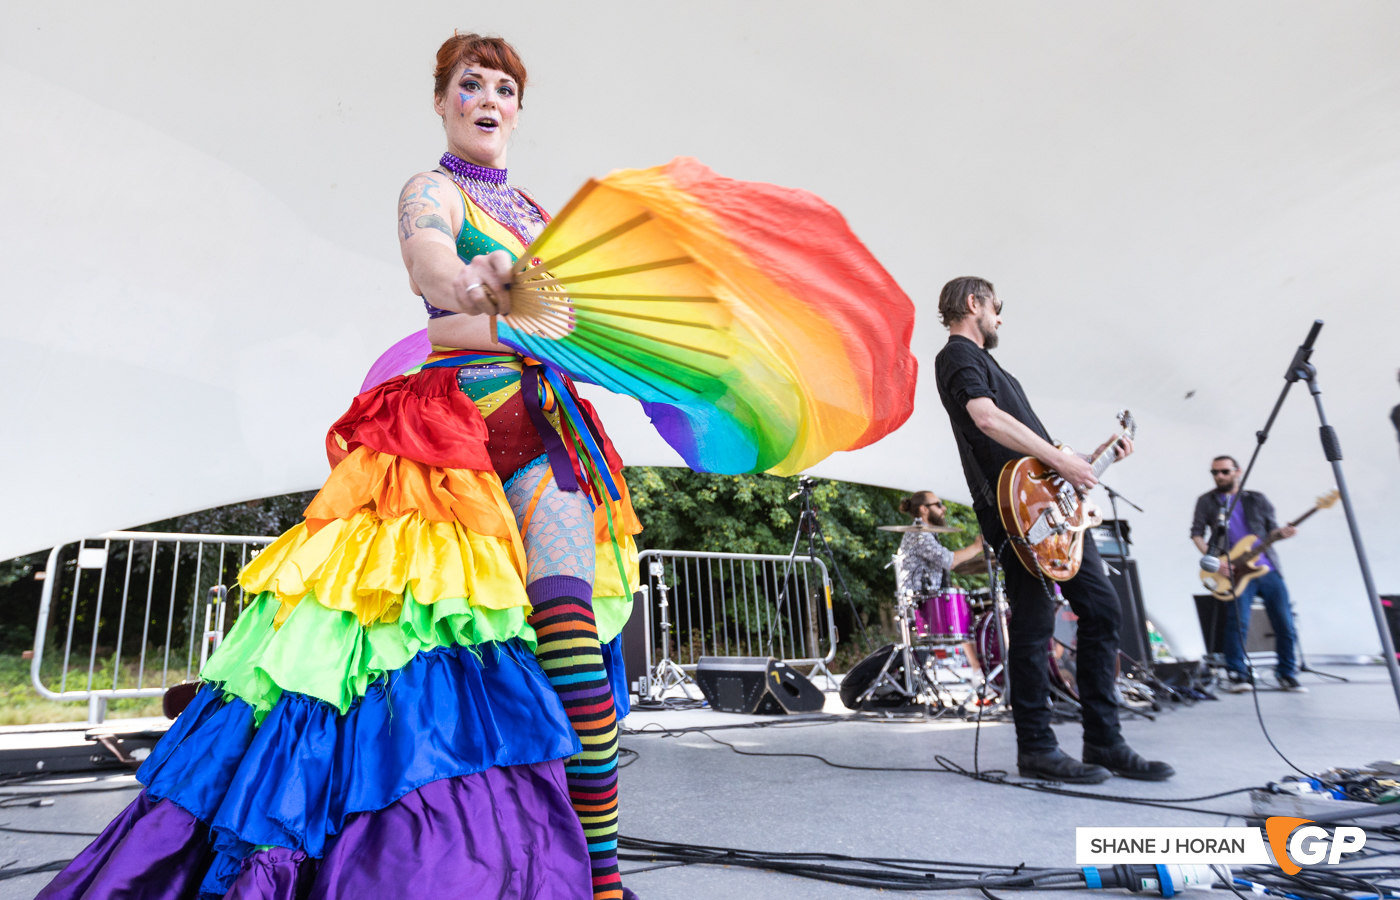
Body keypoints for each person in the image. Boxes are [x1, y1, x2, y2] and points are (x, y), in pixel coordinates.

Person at [39, 33, 642, 900]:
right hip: (446, 442)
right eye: (470, 83)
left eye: (504, 87)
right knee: (411, 651)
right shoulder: (429, 190)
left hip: (544, 432)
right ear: (442, 101)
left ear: (517, 108)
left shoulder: (541, 217)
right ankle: (393, 855)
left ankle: (603, 880)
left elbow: (574, 329)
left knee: (573, 645)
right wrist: (468, 284)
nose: (488, 98)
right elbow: (427, 264)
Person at [932, 276, 1173, 784]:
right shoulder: (958, 356)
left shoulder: (995, 367)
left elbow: (1036, 451)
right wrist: (1061, 458)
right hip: (1012, 512)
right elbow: (986, 419)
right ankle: (1037, 748)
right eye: (997, 308)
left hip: (1045, 507)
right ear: (974, 303)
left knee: (1104, 609)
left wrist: (1089, 457)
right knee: (1036, 620)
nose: (1000, 318)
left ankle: (1104, 742)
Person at [1190, 455, 1303, 693]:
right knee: (1237, 623)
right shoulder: (1207, 501)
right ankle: (1237, 674)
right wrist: (1213, 562)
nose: (1219, 476)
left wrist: (1283, 533)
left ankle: (1287, 673)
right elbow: (1197, 533)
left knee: (1285, 623)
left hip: (1267, 568)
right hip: (1232, 571)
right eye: (1215, 472)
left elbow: (1272, 530)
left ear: (1238, 471)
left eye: (1224, 471)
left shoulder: (1257, 499)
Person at [896, 491, 985, 674]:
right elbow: (948, 560)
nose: (943, 508)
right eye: (938, 504)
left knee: (961, 597)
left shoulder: (927, 533)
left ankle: (979, 667)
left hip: (927, 596)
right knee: (962, 602)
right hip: (919, 602)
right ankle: (979, 669)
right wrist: (977, 547)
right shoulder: (918, 534)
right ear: (924, 509)